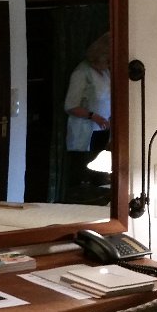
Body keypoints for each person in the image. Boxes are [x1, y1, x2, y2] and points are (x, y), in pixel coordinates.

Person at [63, 33, 111, 200]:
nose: (109, 64)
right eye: (107, 60)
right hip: (85, 133)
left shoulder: (105, 73)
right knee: (83, 174)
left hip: (102, 130)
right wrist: (94, 116)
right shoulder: (81, 73)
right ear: (98, 58)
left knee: (99, 174)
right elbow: (70, 106)